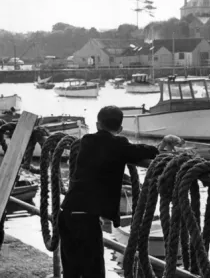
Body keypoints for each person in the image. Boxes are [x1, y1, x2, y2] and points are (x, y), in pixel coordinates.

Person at [58, 105, 159, 278]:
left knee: (71, 271)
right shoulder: (119, 144)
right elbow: (146, 151)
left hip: (66, 213)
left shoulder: (86, 141)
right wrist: (161, 146)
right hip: (86, 219)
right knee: (94, 272)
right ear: (120, 129)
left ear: (97, 125)